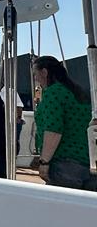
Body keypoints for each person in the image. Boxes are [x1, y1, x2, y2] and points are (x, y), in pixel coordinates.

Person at [31, 55, 94, 189]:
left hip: (65, 165)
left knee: (59, 208)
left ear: (44, 72)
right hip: (88, 161)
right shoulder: (77, 92)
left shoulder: (52, 93)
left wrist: (44, 162)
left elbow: (53, 130)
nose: (35, 79)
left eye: (35, 74)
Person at [0, 85, 24, 155]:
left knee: (14, 142)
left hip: (14, 122)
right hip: (5, 123)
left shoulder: (10, 91)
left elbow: (19, 106)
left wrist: (18, 118)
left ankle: (13, 157)